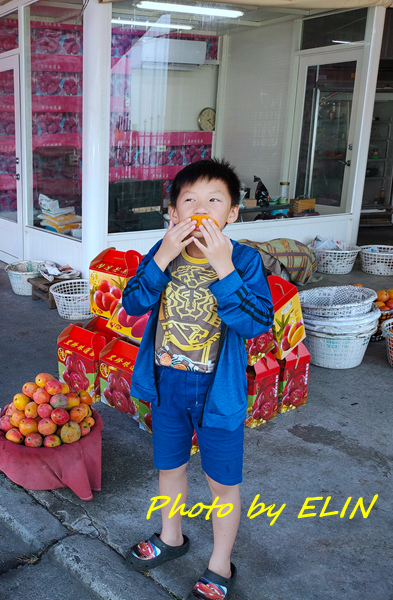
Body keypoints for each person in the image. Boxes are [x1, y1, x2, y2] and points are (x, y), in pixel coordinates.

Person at [122, 159, 273, 600]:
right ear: (173, 213)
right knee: (169, 468)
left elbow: (255, 323)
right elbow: (132, 304)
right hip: (168, 385)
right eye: (189, 200)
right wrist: (164, 256)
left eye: (214, 200)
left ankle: (220, 564)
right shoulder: (161, 252)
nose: (201, 208)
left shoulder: (243, 259)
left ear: (232, 214)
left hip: (217, 394)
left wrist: (223, 267)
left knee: (222, 482)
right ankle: (171, 537)